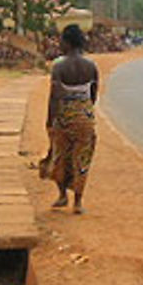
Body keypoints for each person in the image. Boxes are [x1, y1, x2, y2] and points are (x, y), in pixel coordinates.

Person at [46, 24, 99, 213]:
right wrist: (84, 110)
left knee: (60, 157)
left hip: (64, 116)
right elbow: (93, 94)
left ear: (67, 42)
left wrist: (50, 121)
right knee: (82, 159)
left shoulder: (59, 66)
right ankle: (77, 202)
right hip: (85, 116)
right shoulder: (91, 66)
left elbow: (54, 96)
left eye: (62, 40)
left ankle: (62, 196)